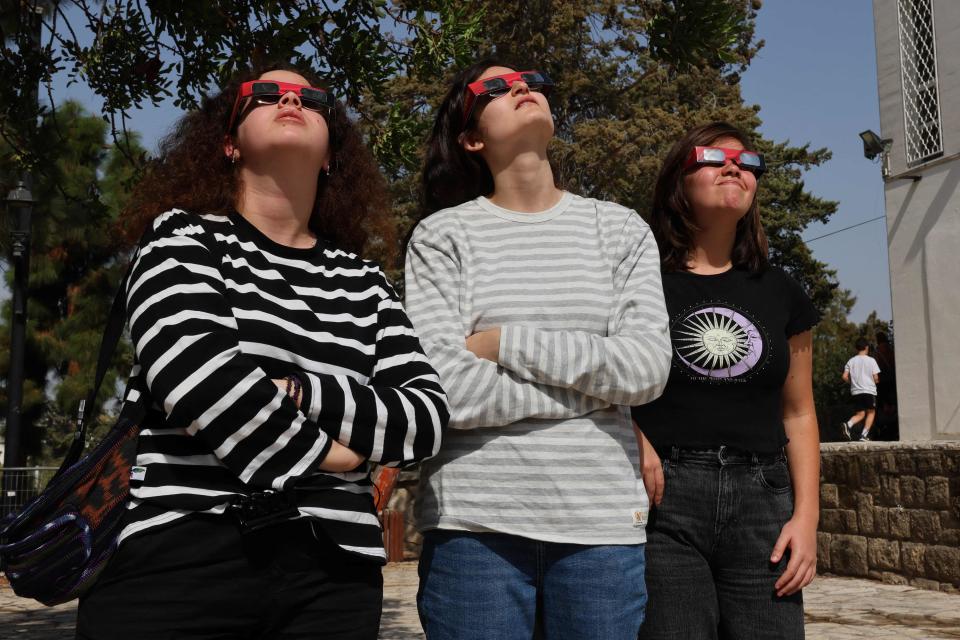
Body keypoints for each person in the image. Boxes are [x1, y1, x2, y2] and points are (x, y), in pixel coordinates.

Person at [75, 65, 449, 639]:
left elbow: (424, 418)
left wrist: (297, 391)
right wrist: (339, 455)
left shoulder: (366, 281)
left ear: (330, 156)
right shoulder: (183, 239)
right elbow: (198, 380)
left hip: (335, 572)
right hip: (180, 553)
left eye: (311, 98)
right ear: (227, 142)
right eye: (266, 94)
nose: (290, 99)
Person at [403, 60, 671, 640]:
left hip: (601, 528)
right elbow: (445, 391)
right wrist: (598, 394)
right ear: (471, 138)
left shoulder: (620, 230)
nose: (521, 86)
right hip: (474, 527)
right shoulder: (441, 237)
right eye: (494, 88)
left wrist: (504, 343)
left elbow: (648, 369)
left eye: (529, 79)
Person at [631, 122, 821, 640]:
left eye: (747, 161)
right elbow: (607, 385)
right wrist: (633, 436)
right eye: (713, 156)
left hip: (764, 500)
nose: (734, 165)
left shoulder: (783, 291)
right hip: (663, 503)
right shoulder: (636, 285)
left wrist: (807, 519)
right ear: (678, 180)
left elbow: (799, 412)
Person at [841, 337, 881, 441]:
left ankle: (848, 424)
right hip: (869, 391)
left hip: (856, 392)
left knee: (860, 414)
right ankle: (864, 435)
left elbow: (844, 376)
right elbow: (876, 377)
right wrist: (876, 382)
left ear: (857, 348)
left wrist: (852, 383)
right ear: (867, 347)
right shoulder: (871, 360)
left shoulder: (851, 361)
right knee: (871, 412)